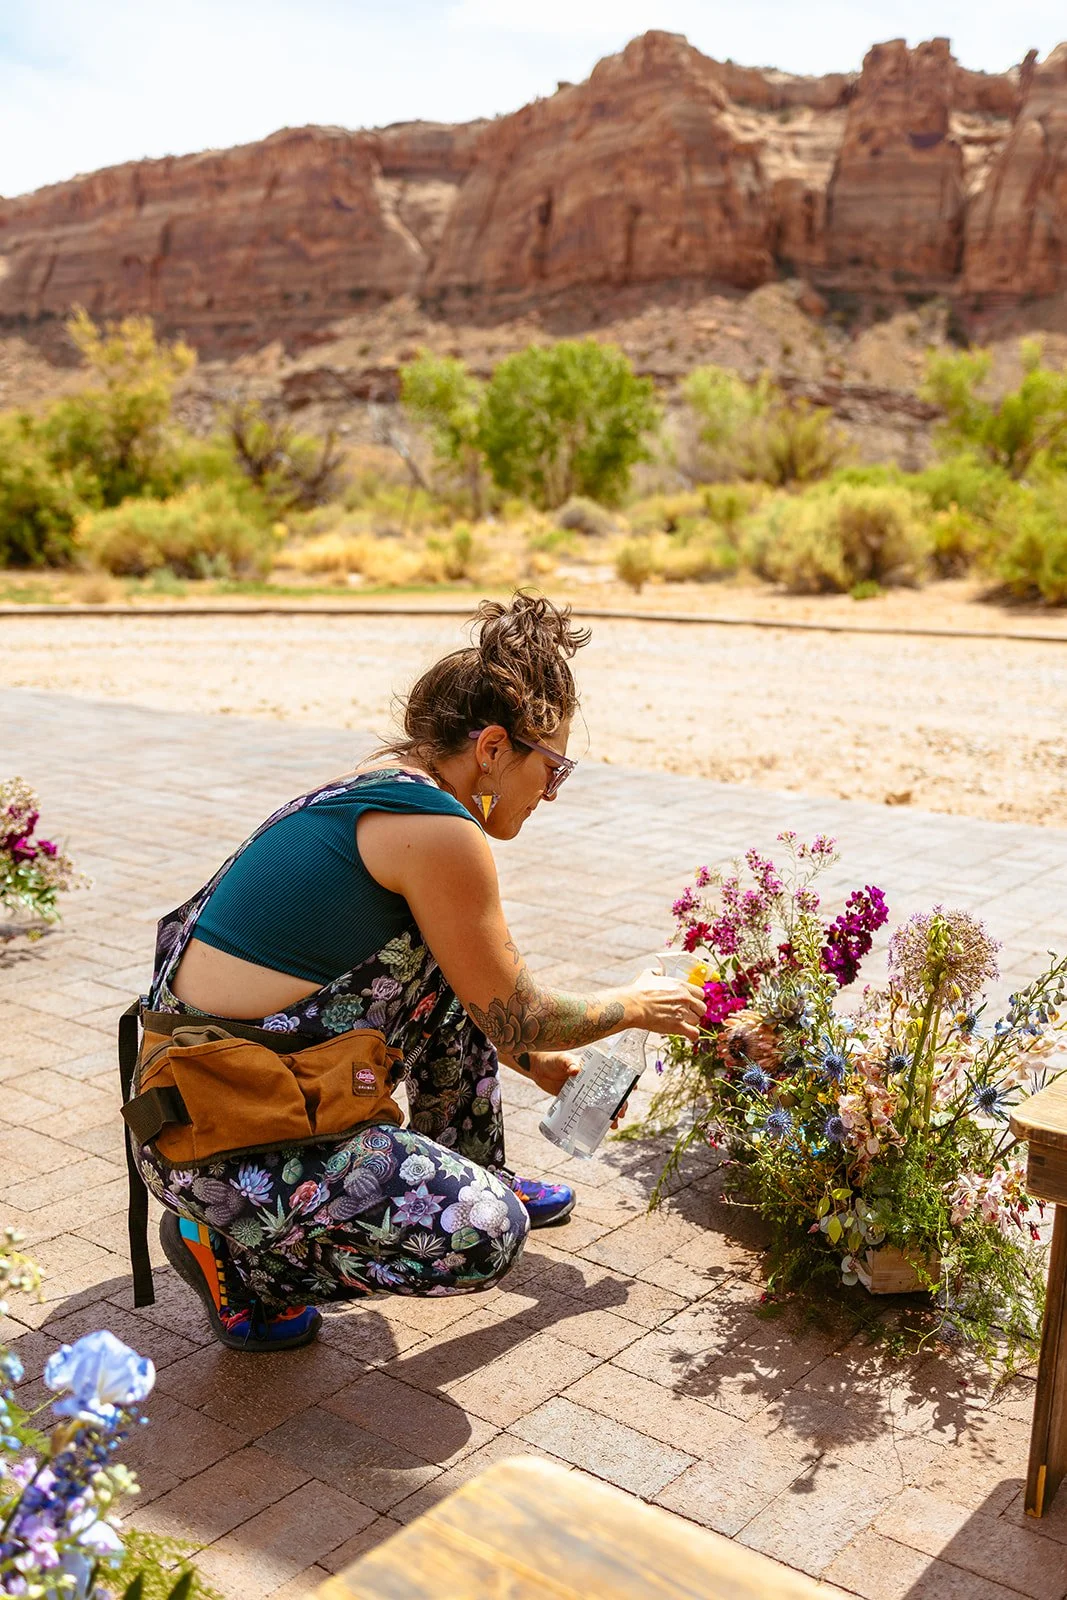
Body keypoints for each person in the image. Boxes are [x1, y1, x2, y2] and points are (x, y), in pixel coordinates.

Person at [132, 593, 705, 1350]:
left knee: (447, 973)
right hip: (222, 1147)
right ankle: (241, 1263)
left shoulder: (385, 789)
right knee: (482, 1235)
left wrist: (538, 1064)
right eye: (553, 768)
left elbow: (476, 995)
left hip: (213, 1102)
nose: (552, 794)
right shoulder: (438, 832)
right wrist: (631, 1006)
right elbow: (519, 1012)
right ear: (494, 748)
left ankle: (473, 1165)